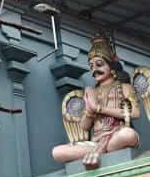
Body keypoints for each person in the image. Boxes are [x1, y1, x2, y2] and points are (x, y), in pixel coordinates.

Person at [52, 36, 140, 169]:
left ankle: (100, 152)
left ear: (111, 66)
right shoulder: (93, 92)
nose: (94, 70)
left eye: (99, 65)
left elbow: (135, 113)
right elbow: (85, 127)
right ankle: (101, 151)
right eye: (91, 66)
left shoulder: (124, 87)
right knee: (57, 152)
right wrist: (89, 110)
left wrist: (99, 108)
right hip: (96, 141)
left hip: (117, 136)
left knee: (128, 135)